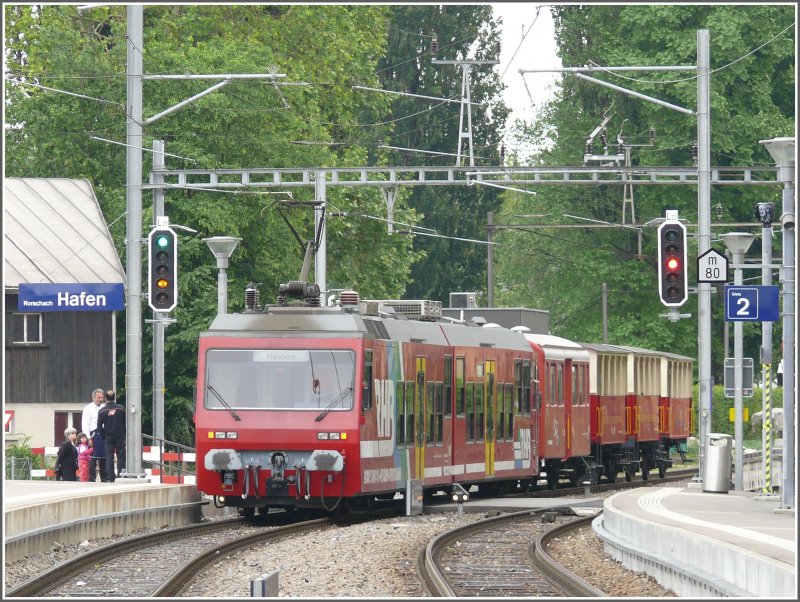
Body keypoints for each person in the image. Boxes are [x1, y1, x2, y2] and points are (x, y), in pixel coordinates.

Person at [98, 389, 126, 482]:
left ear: (106, 398)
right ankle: (121, 475)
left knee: (109, 457)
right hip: (120, 436)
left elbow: (99, 426)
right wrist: (124, 435)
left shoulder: (102, 411)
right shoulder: (121, 408)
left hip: (108, 437)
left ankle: (111, 477)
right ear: (114, 397)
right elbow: (125, 423)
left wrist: (104, 435)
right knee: (121, 456)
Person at [82, 388, 107, 482]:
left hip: (103, 434)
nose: (100, 399)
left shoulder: (104, 407)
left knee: (103, 457)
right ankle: (91, 478)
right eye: (98, 397)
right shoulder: (88, 408)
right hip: (92, 435)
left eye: (102, 397)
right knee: (92, 457)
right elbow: (85, 424)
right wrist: (88, 438)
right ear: (93, 398)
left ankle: (104, 477)